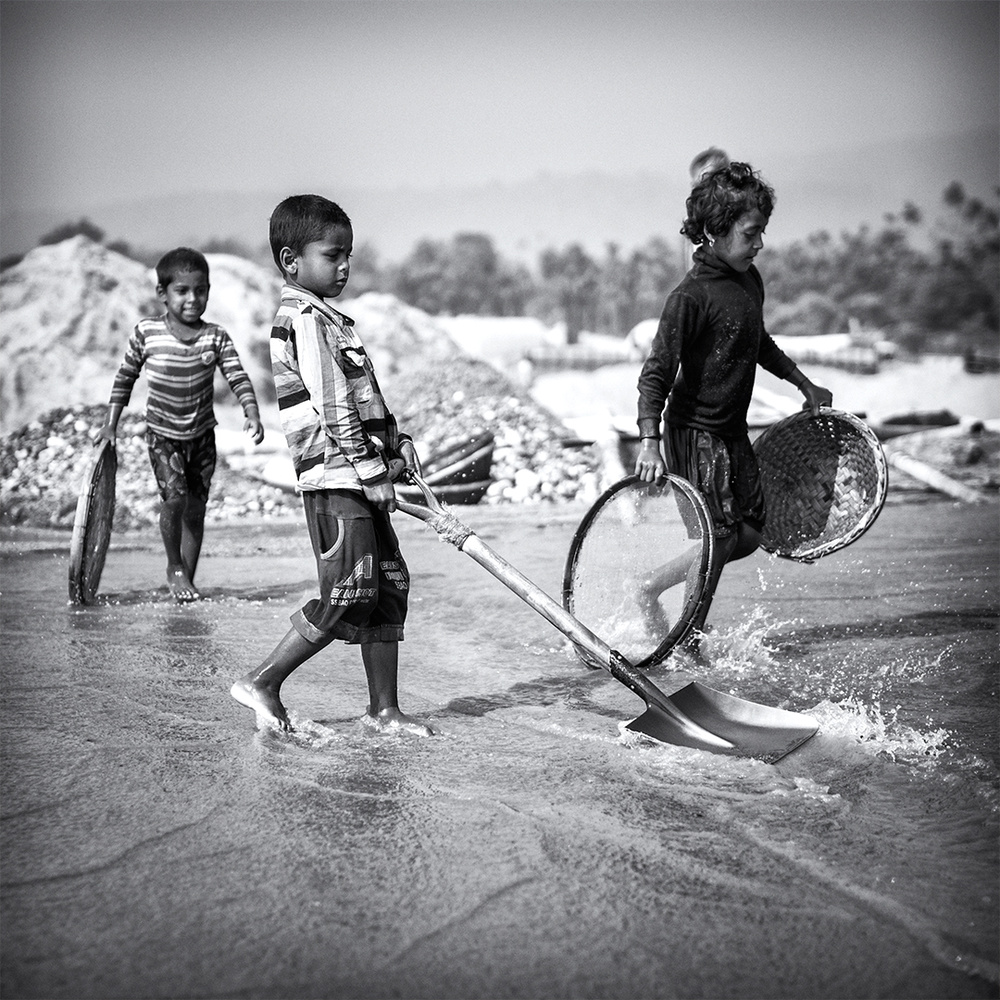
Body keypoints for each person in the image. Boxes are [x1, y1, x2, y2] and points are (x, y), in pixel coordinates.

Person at [230, 194, 430, 737]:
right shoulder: (303, 319)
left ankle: (384, 709)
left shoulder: (332, 319)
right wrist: (371, 473)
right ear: (291, 261)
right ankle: (264, 681)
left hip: (364, 476)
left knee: (389, 585)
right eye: (332, 255)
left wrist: (396, 446)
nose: (344, 266)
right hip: (337, 483)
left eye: (349, 255)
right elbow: (336, 409)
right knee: (349, 591)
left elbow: (365, 399)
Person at [634, 162, 832, 653]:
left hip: (732, 433)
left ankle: (651, 586)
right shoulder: (690, 296)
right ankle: (688, 642)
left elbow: (758, 342)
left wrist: (803, 384)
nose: (760, 243)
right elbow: (655, 373)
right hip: (693, 432)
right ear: (714, 232)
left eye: (762, 232)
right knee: (717, 539)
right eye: (750, 233)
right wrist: (649, 442)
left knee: (747, 533)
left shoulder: (750, 282)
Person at [100, 247, 264, 601]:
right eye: (182, 291)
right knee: (174, 500)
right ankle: (174, 566)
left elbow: (237, 375)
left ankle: (186, 579)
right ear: (163, 294)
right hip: (163, 436)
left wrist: (251, 411)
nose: (193, 299)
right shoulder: (147, 334)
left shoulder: (215, 337)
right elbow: (125, 377)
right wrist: (110, 424)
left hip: (203, 437)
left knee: (197, 508)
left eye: (201, 290)